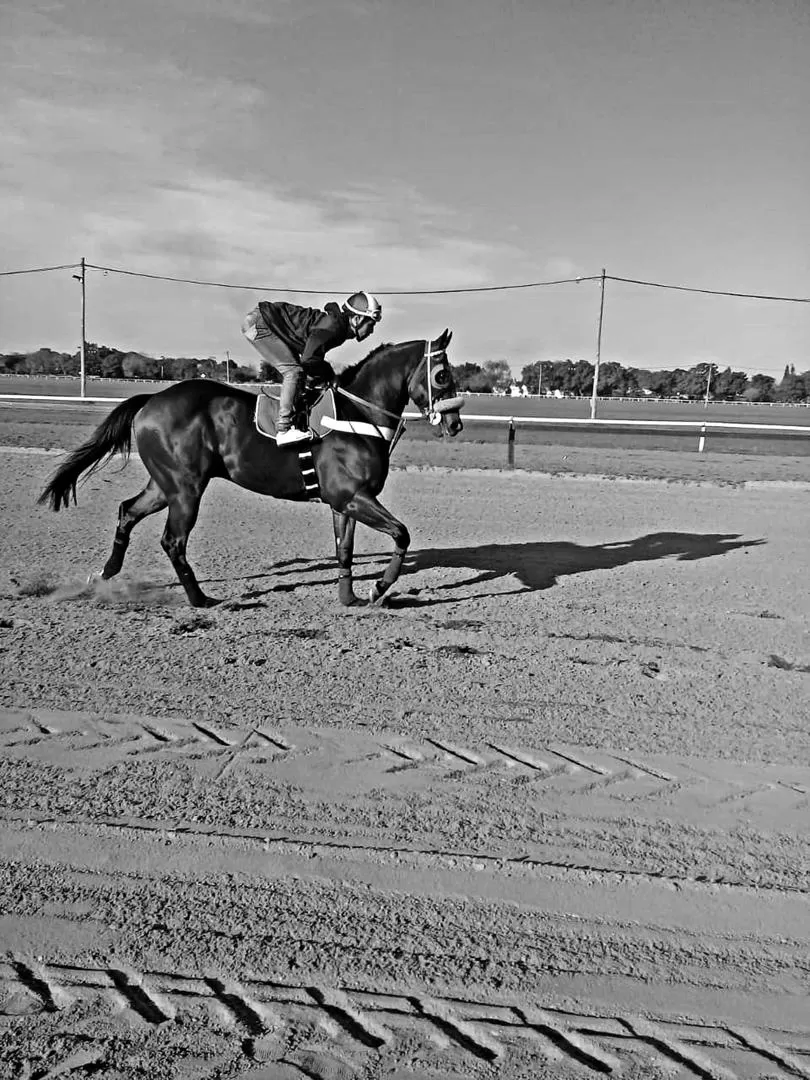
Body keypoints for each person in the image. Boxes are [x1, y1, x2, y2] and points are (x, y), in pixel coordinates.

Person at [241, 291, 383, 445]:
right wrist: (329, 374)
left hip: (265, 320)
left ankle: (296, 421)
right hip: (260, 324)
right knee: (294, 372)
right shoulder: (334, 328)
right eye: (371, 324)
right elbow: (309, 359)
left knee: (301, 374)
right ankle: (283, 430)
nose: (372, 330)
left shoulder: (337, 326)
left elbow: (310, 360)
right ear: (357, 319)